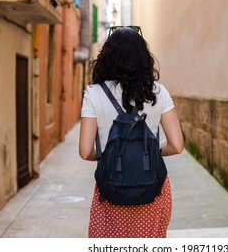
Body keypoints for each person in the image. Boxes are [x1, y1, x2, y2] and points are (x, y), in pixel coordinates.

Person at [79, 26, 184, 238]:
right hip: (153, 188)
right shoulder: (159, 92)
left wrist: (110, 154)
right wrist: (149, 150)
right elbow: (177, 145)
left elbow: (85, 151)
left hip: (112, 189)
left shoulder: (93, 93)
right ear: (143, 57)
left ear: (107, 57)